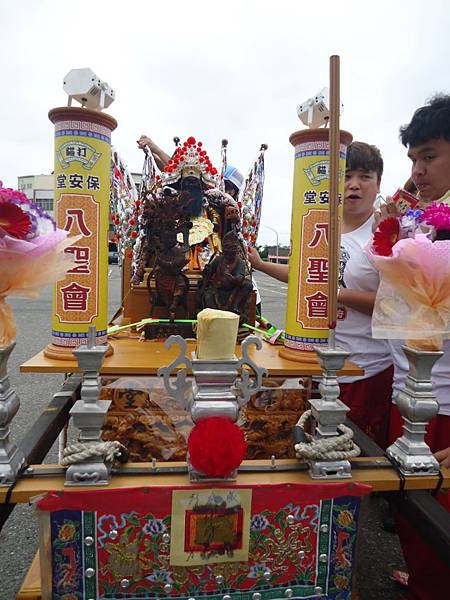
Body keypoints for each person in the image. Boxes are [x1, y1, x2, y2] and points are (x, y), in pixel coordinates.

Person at [249, 142, 394, 448]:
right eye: (346, 176)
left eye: (365, 176)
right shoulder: (321, 227)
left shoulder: (386, 235)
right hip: (315, 366)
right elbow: (303, 275)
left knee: (357, 456)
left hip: (366, 370)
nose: (354, 185)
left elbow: (393, 307)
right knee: (315, 450)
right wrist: (260, 265)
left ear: (378, 183)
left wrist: (336, 294)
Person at [379, 95, 450, 600]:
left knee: (438, 514)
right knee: (407, 503)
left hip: (445, 402)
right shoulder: (421, 223)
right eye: (412, 160)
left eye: (429, 156)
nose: (418, 171)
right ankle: (425, 577)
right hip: (405, 391)